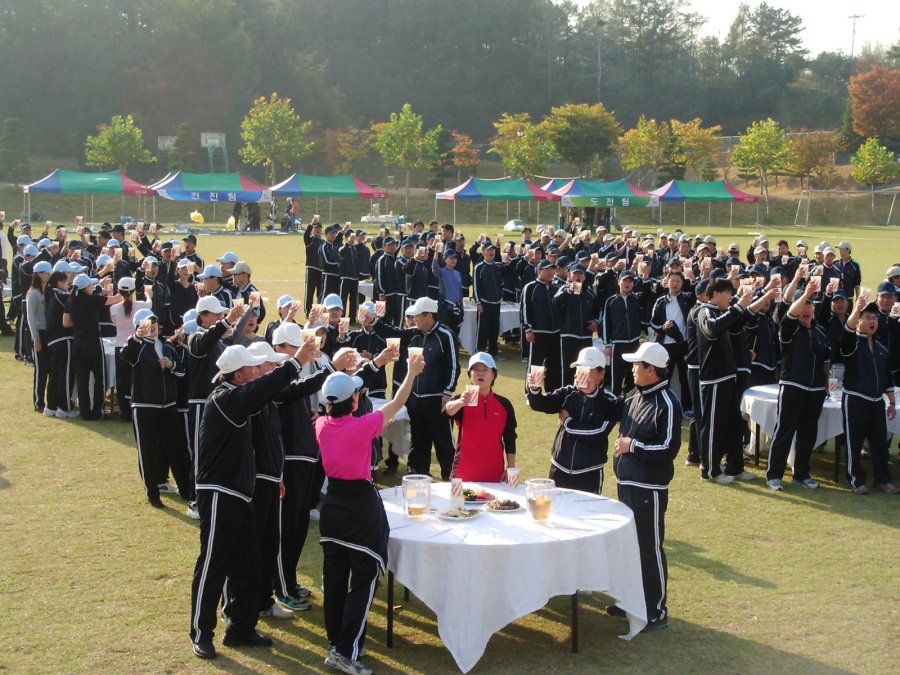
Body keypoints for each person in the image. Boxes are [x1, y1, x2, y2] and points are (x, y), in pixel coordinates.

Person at [190, 340, 320, 660]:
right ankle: (201, 632)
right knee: (214, 561)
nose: (258, 370)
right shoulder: (224, 399)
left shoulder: (238, 397)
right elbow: (263, 389)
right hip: (220, 492)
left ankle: (241, 628)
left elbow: (268, 391)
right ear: (238, 375)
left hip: (241, 494)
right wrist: (295, 362)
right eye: (252, 367)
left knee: (248, 564)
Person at [315, 357, 424, 675]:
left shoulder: (321, 425)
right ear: (354, 399)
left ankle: (339, 643)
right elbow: (398, 401)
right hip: (360, 507)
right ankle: (345, 651)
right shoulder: (361, 426)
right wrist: (411, 373)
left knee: (335, 581)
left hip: (332, 506)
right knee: (364, 580)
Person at [608, 342, 682, 633]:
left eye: (638, 365)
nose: (633, 369)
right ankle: (628, 600)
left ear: (651, 369)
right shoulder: (634, 394)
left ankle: (656, 609)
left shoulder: (668, 402)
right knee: (627, 545)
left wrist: (632, 445)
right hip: (626, 482)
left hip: (648, 488)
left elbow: (668, 447)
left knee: (648, 547)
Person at [370, 296, 460, 479]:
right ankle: (418, 476)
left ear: (429, 315)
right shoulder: (414, 333)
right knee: (418, 440)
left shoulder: (446, 335)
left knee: (443, 441)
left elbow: (454, 366)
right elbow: (391, 332)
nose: (414, 319)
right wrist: (373, 321)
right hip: (415, 399)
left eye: (418, 316)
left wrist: (448, 392)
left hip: (437, 400)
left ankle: (451, 479)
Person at [123, 309, 194, 509]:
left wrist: (171, 365)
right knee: (147, 450)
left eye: (153, 321)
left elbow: (181, 372)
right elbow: (127, 355)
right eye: (146, 323)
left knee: (177, 449)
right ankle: (152, 492)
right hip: (144, 406)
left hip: (168, 405)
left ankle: (186, 489)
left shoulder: (167, 346)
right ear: (138, 327)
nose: (151, 326)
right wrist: (137, 338)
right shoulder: (136, 346)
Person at [765, 277, 830, 491]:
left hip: (816, 390)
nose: (806, 309)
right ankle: (774, 475)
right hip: (793, 385)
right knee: (784, 430)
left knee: (808, 433)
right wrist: (805, 294)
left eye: (810, 305)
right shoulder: (789, 328)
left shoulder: (821, 332)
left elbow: (826, 363)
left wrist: (826, 385)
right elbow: (790, 315)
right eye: (803, 304)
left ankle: (801, 474)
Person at [526, 346, 621, 493]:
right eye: (578, 369)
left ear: (602, 373)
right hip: (559, 468)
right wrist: (534, 389)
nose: (579, 374)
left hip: (589, 472)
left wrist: (568, 422)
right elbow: (541, 404)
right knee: (556, 512)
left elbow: (598, 432)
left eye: (587, 369)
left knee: (586, 514)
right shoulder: (568, 392)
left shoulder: (609, 401)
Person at [840, 297, 899, 495]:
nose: (872, 321)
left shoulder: (882, 349)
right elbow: (847, 334)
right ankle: (856, 480)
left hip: (876, 402)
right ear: (858, 320)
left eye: (874, 317)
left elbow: (887, 378)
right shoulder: (853, 344)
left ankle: (883, 480)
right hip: (855, 398)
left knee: (880, 443)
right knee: (854, 442)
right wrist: (856, 310)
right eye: (867, 317)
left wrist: (891, 402)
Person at [445, 352, 517, 482]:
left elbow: (510, 437)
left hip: (495, 473)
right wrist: (461, 402)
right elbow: (447, 411)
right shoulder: (462, 399)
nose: (480, 373)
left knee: (497, 503)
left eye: (485, 370)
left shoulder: (504, 404)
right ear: (470, 374)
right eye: (476, 369)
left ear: (493, 375)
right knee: (458, 503)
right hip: (463, 473)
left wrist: (511, 467)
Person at [66, 273, 123, 420]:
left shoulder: (71, 300)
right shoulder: (92, 299)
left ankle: (85, 412)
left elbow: (66, 322)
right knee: (99, 378)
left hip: (78, 342)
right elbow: (116, 299)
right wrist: (122, 289)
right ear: (87, 287)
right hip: (93, 342)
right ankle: (97, 411)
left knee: (83, 379)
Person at [109, 276, 151, 421]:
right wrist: (147, 294)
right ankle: (135, 409)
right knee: (136, 378)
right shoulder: (140, 305)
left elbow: (115, 322)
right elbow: (150, 305)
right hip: (135, 345)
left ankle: (124, 412)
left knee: (122, 380)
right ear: (133, 290)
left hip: (120, 345)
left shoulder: (113, 308)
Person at [26, 261, 53, 412]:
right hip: (40, 333)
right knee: (41, 369)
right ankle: (38, 401)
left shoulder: (47, 291)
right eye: (47, 273)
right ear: (40, 274)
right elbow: (31, 317)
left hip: (49, 333)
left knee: (49, 368)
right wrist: (36, 339)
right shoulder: (33, 293)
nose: (49, 276)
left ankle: (49, 400)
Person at [473, 241, 504, 356]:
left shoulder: (499, 266)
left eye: (493, 250)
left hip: (496, 303)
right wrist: (478, 303)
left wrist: (500, 297)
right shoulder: (479, 267)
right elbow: (476, 286)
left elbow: (502, 282)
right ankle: (479, 352)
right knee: (483, 329)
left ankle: (493, 353)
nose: (491, 252)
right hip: (484, 303)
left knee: (494, 329)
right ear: (483, 252)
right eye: (489, 250)